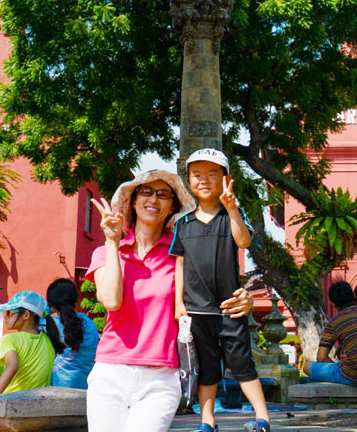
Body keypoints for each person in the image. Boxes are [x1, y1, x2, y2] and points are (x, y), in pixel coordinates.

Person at [87, 169, 254, 432]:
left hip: (162, 376)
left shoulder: (182, 250)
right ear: (133, 201)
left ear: (172, 208)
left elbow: (214, 285)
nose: (154, 199)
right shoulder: (106, 251)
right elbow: (111, 301)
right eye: (146, 192)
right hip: (111, 370)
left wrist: (245, 299)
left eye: (163, 194)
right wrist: (111, 242)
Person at [172, 149, 270, 432]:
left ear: (226, 179)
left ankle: (262, 417)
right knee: (206, 368)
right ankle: (207, 421)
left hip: (230, 307)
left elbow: (244, 242)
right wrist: (179, 302)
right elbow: (179, 263)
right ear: (189, 181)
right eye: (197, 175)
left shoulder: (233, 216)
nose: (204, 180)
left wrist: (231, 208)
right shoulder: (183, 223)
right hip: (196, 309)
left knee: (242, 363)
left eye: (212, 174)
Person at [303, 281, 357, 386]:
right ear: (353, 295)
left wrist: (340, 366)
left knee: (307, 366)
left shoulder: (334, 322)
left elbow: (321, 357)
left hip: (355, 376)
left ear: (333, 303)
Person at [0, 291, 66, 395]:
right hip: (38, 400)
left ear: (26, 315)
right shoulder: (49, 340)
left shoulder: (9, 339)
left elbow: (12, 367)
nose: (5, 317)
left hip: (11, 399)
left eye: (9, 312)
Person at [47, 278, 100, 389]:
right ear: (76, 298)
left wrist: (47, 310)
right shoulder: (90, 324)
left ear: (52, 306)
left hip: (59, 384)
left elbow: (37, 317)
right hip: (86, 386)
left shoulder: (52, 324)